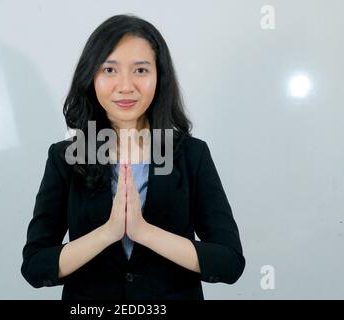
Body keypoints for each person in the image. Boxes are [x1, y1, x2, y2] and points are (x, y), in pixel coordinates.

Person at [21, 14, 245, 300]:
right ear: (91, 76)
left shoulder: (191, 154)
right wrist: (107, 233)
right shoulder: (66, 157)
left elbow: (229, 262)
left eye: (140, 70)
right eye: (109, 70)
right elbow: (36, 266)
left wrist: (145, 232)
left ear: (159, 76)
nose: (125, 86)